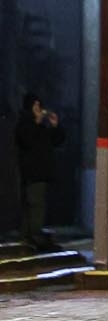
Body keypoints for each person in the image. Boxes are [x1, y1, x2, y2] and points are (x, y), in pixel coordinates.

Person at [13, 93, 64, 250]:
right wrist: (36, 121)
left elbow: (56, 141)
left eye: (39, 106)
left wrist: (55, 126)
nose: (39, 110)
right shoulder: (25, 124)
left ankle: (29, 236)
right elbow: (27, 140)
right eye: (35, 106)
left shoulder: (41, 126)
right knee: (35, 204)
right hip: (32, 172)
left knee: (35, 204)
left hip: (41, 172)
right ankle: (32, 235)